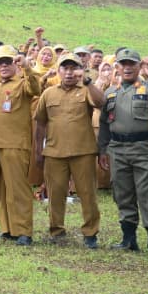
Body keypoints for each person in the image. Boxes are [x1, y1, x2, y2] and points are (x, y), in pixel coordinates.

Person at [97, 49, 148, 252]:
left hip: (143, 148)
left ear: (138, 67)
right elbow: (103, 124)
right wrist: (102, 149)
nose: (127, 68)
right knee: (122, 192)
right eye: (123, 64)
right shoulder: (110, 92)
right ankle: (129, 238)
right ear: (117, 67)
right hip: (117, 149)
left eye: (132, 64)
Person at [34, 54, 106, 247]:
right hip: (54, 152)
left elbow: (101, 103)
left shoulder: (86, 90)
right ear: (58, 71)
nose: (69, 72)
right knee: (55, 194)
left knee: (87, 194)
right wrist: (37, 150)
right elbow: (40, 123)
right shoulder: (49, 93)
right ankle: (56, 230)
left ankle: (90, 233)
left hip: (83, 151)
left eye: (73, 68)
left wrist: (88, 81)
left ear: (80, 70)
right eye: (65, 68)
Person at [0, 45, 42, 245]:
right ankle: (7, 228)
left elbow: (36, 88)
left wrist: (27, 68)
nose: (4, 65)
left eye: (8, 62)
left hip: (15, 144)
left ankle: (23, 231)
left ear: (15, 64)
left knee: (18, 189)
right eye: (0, 62)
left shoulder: (22, 83)